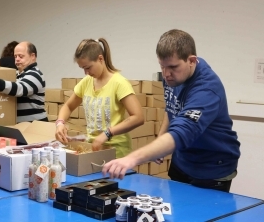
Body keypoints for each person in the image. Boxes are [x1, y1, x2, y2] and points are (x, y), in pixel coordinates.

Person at [102, 29, 241, 192]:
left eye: (173, 67)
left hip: (211, 167)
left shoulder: (207, 89)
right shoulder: (174, 75)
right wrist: (160, 140)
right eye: (162, 66)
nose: (166, 74)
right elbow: (172, 109)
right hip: (182, 160)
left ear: (192, 60)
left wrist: (131, 159)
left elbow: (182, 132)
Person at [55, 38, 144, 158]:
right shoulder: (86, 82)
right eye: (83, 69)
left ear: (100, 59)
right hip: (94, 150)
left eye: (88, 67)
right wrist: (60, 123)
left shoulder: (119, 83)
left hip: (116, 153)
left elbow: (138, 117)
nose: (86, 73)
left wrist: (107, 133)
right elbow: (68, 106)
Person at [0, 41, 48, 123]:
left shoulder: (35, 74)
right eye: (15, 56)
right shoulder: (17, 74)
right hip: (21, 125)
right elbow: (7, 85)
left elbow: (19, 89)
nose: (17, 59)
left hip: (35, 124)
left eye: (21, 56)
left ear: (32, 56)